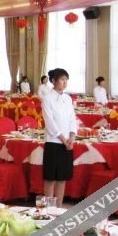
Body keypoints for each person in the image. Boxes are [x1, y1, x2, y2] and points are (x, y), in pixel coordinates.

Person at [42, 68, 77, 208]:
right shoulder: (47, 98)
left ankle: (59, 208)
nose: (65, 82)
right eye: (62, 79)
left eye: (66, 79)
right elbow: (49, 122)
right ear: (53, 81)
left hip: (67, 143)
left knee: (62, 178)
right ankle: (48, 209)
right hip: (53, 142)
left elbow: (72, 119)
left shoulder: (67, 98)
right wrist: (63, 139)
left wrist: (72, 137)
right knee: (50, 178)